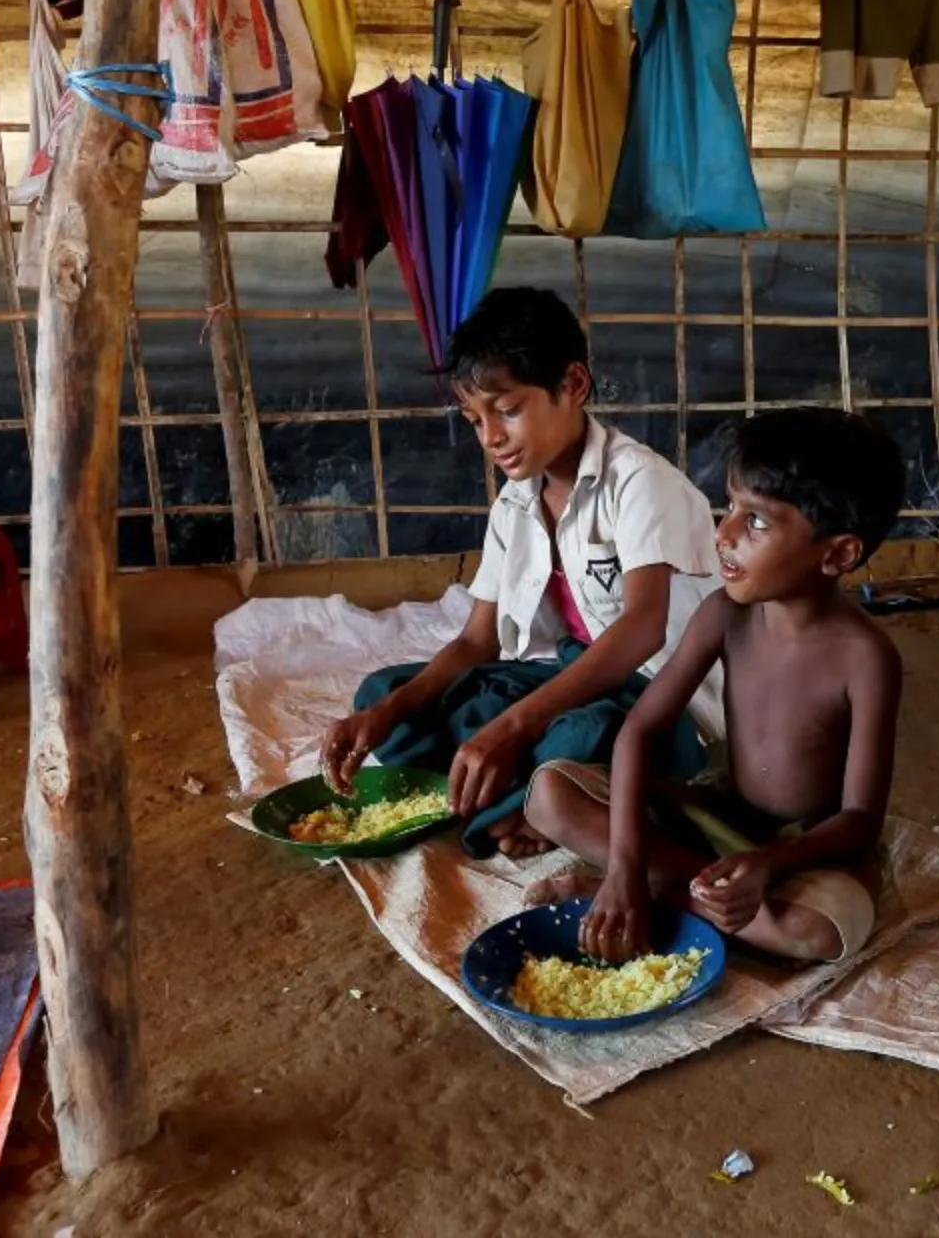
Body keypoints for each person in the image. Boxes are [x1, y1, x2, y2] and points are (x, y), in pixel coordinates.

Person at [321, 287, 721, 857]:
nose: (490, 437)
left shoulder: (637, 482)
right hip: (565, 677)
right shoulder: (515, 502)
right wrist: (389, 711)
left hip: (656, 693)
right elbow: (477, 640)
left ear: (573, 385)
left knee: (577, 736)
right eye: (475, 418)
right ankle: (525, 805)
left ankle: (527, 802)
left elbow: (643, 630)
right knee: (385, 692)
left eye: (507, 410)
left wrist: (513, 727)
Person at [523, 407, 905, 964]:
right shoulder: (724, 615)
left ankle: (673, 895)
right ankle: (677, 890)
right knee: (548, 795)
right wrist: (625, 870)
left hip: (805, 851)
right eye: (729, 507)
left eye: (756, 521)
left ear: (839, 553)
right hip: (722, 815)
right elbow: (640, 732)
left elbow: (860, 821)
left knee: (820, 932)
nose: (724, 533)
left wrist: (770, 865)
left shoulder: (867, 658)